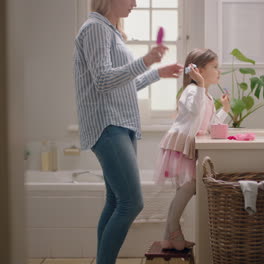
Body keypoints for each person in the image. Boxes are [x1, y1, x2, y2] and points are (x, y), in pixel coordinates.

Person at [73, 0, 183, 263]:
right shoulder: (95, 28)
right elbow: (102, 80)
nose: (135, 3)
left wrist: (157, 73)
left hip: (120, 124)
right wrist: (145, 61)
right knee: (132, 203)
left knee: (115, 203)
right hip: (108, 125)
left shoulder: (109, 31)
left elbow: (123, 86)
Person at [154, 48, 231, 250]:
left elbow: (209, 125)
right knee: (188, 188)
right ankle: (173, 229)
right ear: (200, 71)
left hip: (191, 145)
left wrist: (224, 110)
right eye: (214, 67)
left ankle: (168, 238)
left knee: (184, 189)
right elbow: (195, 111)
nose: (219, 71)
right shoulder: (192, 91)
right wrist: (199, 84)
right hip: (182, 145)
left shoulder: (205, 95)